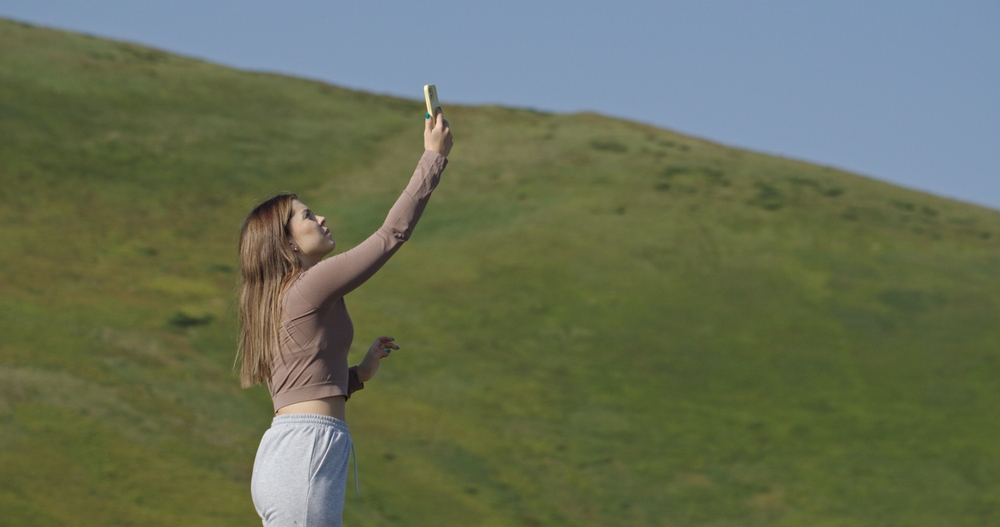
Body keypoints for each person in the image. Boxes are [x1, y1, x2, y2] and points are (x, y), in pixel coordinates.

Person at [236, 109, 452, 526]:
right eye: (306, 216)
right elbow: (391, 234)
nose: (320, 218)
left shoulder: (280, 299)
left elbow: (302, 383)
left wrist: (358, 375)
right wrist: (433, 158)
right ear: (286, 243)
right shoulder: (307, 287)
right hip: (306, 453)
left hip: (298, 452)